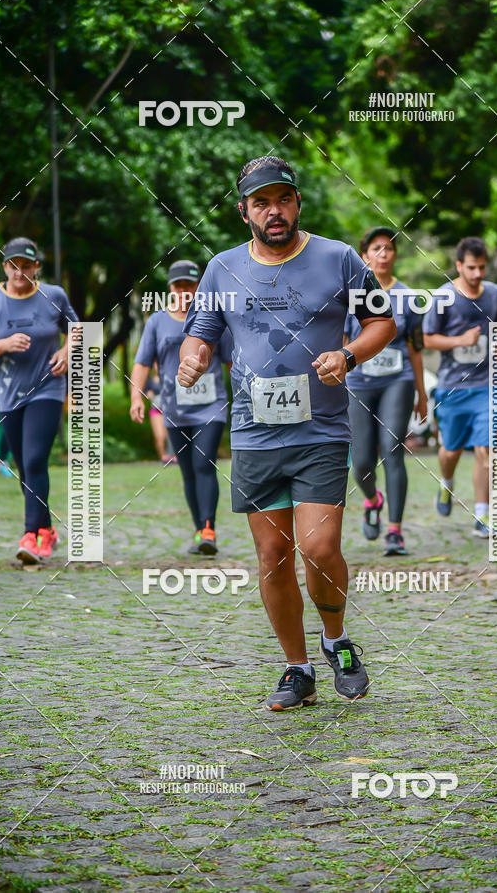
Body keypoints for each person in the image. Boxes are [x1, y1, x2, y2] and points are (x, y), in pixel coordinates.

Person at [178, 155, 396, 710]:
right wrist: (194, 358)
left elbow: (382, 322)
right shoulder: (222, 268)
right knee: (273, 555)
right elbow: (200, 332)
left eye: (282, 199)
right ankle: (297, 669)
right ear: (243, 212)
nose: (273, 211)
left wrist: (346, 355)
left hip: (321, 429)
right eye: (260, 203)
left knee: (319, 548)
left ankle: (336, 639)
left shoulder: (339, 259)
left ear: (297, 202)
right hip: (253, 435)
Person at [130, 260, 231, 555]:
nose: (185, 290)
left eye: (190, 284)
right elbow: (143, 363)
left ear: (199, 286)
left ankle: (209, 528)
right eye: (179, 285)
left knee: (203, 463)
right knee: (188, 471)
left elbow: (231, 360)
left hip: (210, 405)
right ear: (170, 288)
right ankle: (200, 529)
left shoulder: (213, 317)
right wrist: (137, 398)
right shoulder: (157, 322)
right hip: (174, 408)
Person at [344, 227, 427, 556]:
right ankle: (372, 500)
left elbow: (416, 347)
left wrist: (421, 392)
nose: (383, 253)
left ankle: (395, 530)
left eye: (388, 248)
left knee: (392, 448)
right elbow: (341, 341)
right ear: (364, 255)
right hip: (360, 381)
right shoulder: (352, 294)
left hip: (399, 379)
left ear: (395, 256)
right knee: (362, 461)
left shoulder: (408, 296)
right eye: (376, 248)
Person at [0, 237, 78, 563]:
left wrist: (67, 350)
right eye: (14, 265)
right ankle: (46, 528)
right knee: (23, 467)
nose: (20, 272)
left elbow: (77, 328)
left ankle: (32, 536)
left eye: (27, 265)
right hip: (7, 395)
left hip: (47, 389)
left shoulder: (53, 295)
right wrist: (3, 344)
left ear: (36, 267)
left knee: (33, 460)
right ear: (5, 267)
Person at [423, 236, 497, 537]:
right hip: (453, 386)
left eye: (482, 267)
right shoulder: (443, 296)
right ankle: (446, 483)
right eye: (471, 267)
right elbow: (427, 339)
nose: (477, 274)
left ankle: (483, 515)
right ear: (458, 265)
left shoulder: (496, 295)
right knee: (450, 451)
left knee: (486, 449)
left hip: (486, 384)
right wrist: (461, 340)